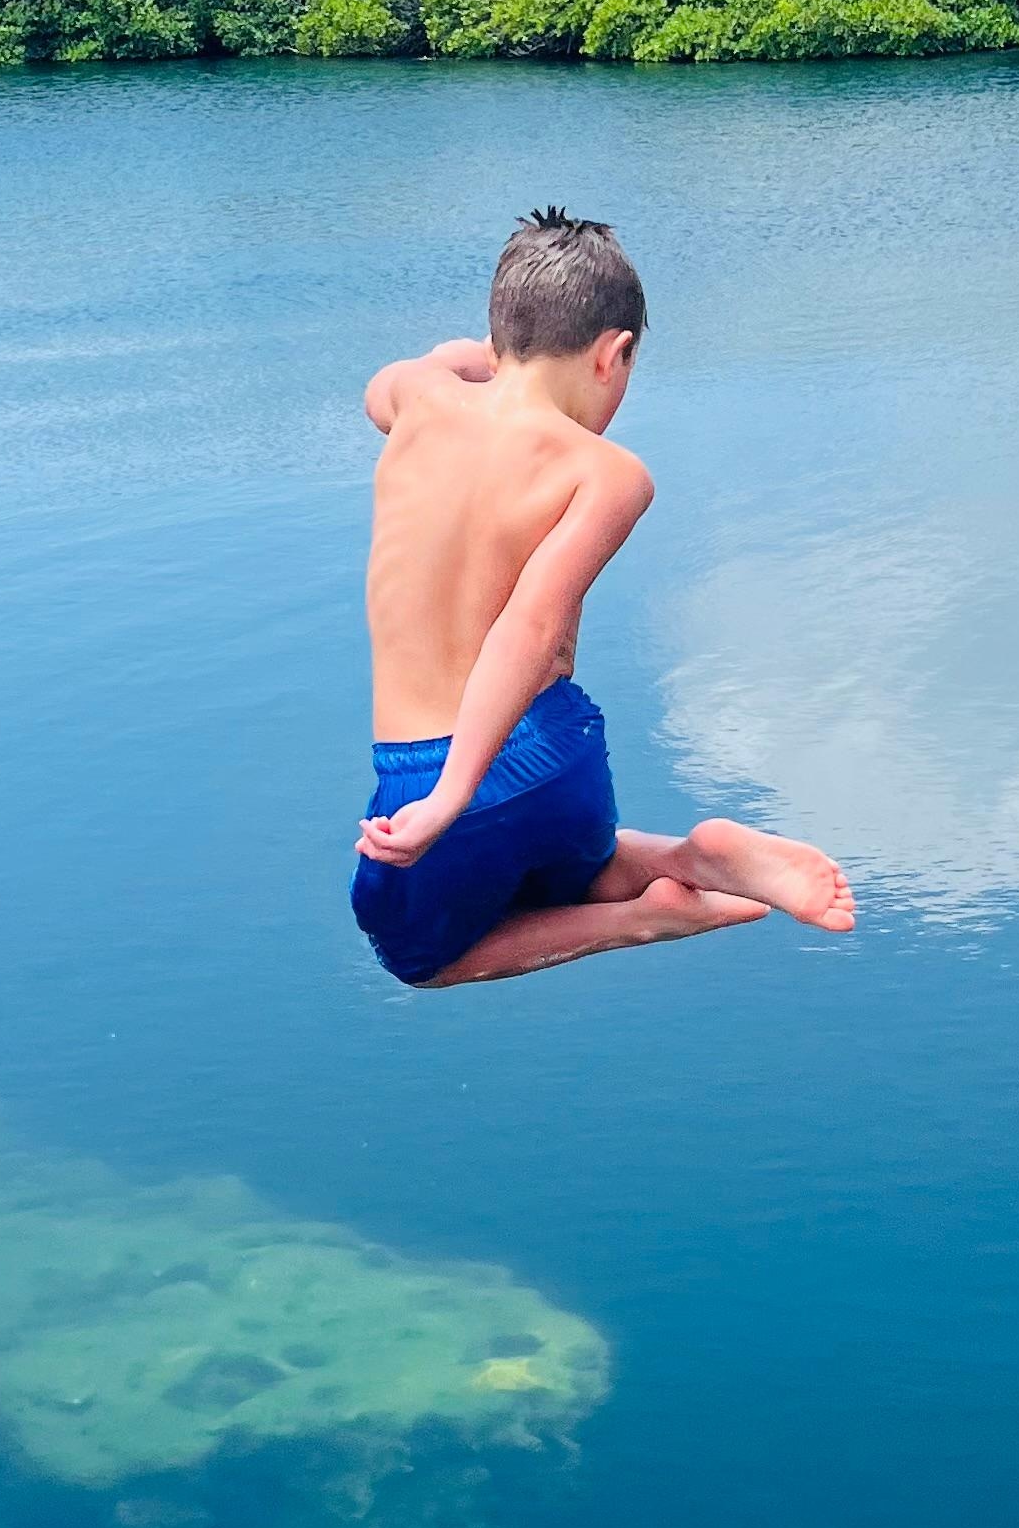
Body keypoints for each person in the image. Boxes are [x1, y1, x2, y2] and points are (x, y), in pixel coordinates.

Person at [350, 208, 856, 989]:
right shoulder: (608, 473)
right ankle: (691, 859)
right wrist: (459, 798)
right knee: (554, 873)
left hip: (435, 769)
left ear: (495, 340)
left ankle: (644, 918)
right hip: (560, 756)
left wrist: (448, 796)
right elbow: (532, 624)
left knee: (418, 960)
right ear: (613, 355)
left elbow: (389, 382)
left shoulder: (417, 400)